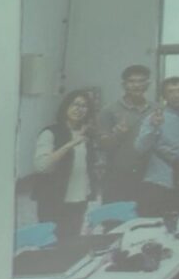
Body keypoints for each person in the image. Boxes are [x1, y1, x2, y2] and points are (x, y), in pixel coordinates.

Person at [32, 90, 100, 248]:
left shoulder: (87, 135)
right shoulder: (50, 132)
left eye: (84, 106)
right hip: (53, 199)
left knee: (72, 243)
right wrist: (70, 144)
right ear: (65, 107)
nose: (79, 109)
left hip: (79, 199)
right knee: (51, 246)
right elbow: (41, 166)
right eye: (75, 104)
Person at [132, 76, 179, 222]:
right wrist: (153, 126)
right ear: (164, 95)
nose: (177, 95)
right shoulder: (155, 117)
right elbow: (140, 147)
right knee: (154, 227)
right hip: (158, 183)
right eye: (171, 91)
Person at [94, 65, 154, 204]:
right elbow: (103, 146)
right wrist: (117, 134)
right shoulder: (109, 110)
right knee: (115, 215)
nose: (136, 85)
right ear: (124, 85)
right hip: (117, 175)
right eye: (132, 81)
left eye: (141, 81)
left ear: (148, 84)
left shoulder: (156, 109)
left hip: (149, 175)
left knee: (146, 215)